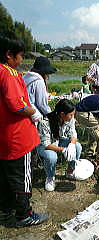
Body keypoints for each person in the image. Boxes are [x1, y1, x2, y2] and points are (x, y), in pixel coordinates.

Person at [0, 31, 48, 227]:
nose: (21, 60)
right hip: (18, 138)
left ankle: (4, 210)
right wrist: (33, 112)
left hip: (5, 137)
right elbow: (17, 104)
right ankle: (24, 215)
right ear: (9, 54)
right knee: (22, 178)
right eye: (20, 56)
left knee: (6, 177)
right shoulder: (9, 74)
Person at [37, 99, 82, 192]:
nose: (72, 117)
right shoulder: (45, 122)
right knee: (51, 156)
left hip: (59, 141)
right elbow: (46, 144)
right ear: (62, 114)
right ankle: (50, 177)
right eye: (71, 115)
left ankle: (70, 171)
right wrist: (64, 149)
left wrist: (72, 145)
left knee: (78, 146)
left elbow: (73, 134)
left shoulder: (70, 119)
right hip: (44, 145)